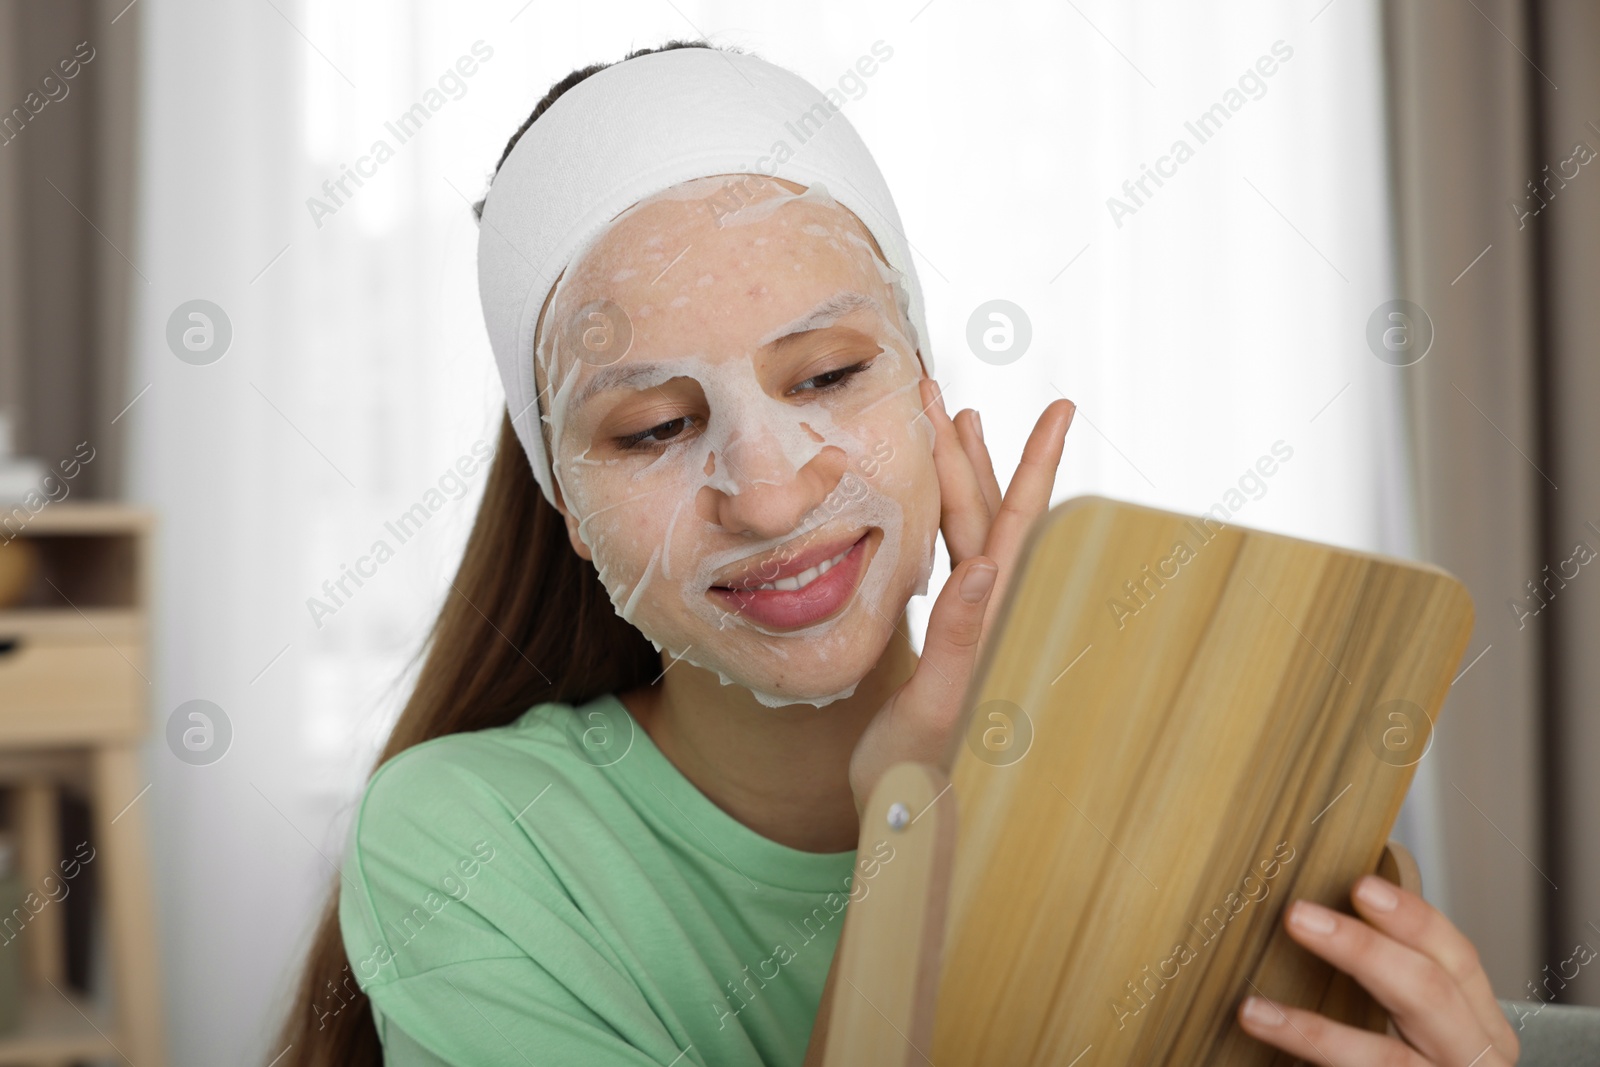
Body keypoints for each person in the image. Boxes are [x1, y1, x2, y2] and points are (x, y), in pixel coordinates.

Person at [275, 39, 1522, 1067]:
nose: (767, 494)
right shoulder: (471, 842)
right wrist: (913, 829)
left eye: (825, 373)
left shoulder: (1179, 788)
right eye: (654, 427)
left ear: (928, 391)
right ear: (564, 500)